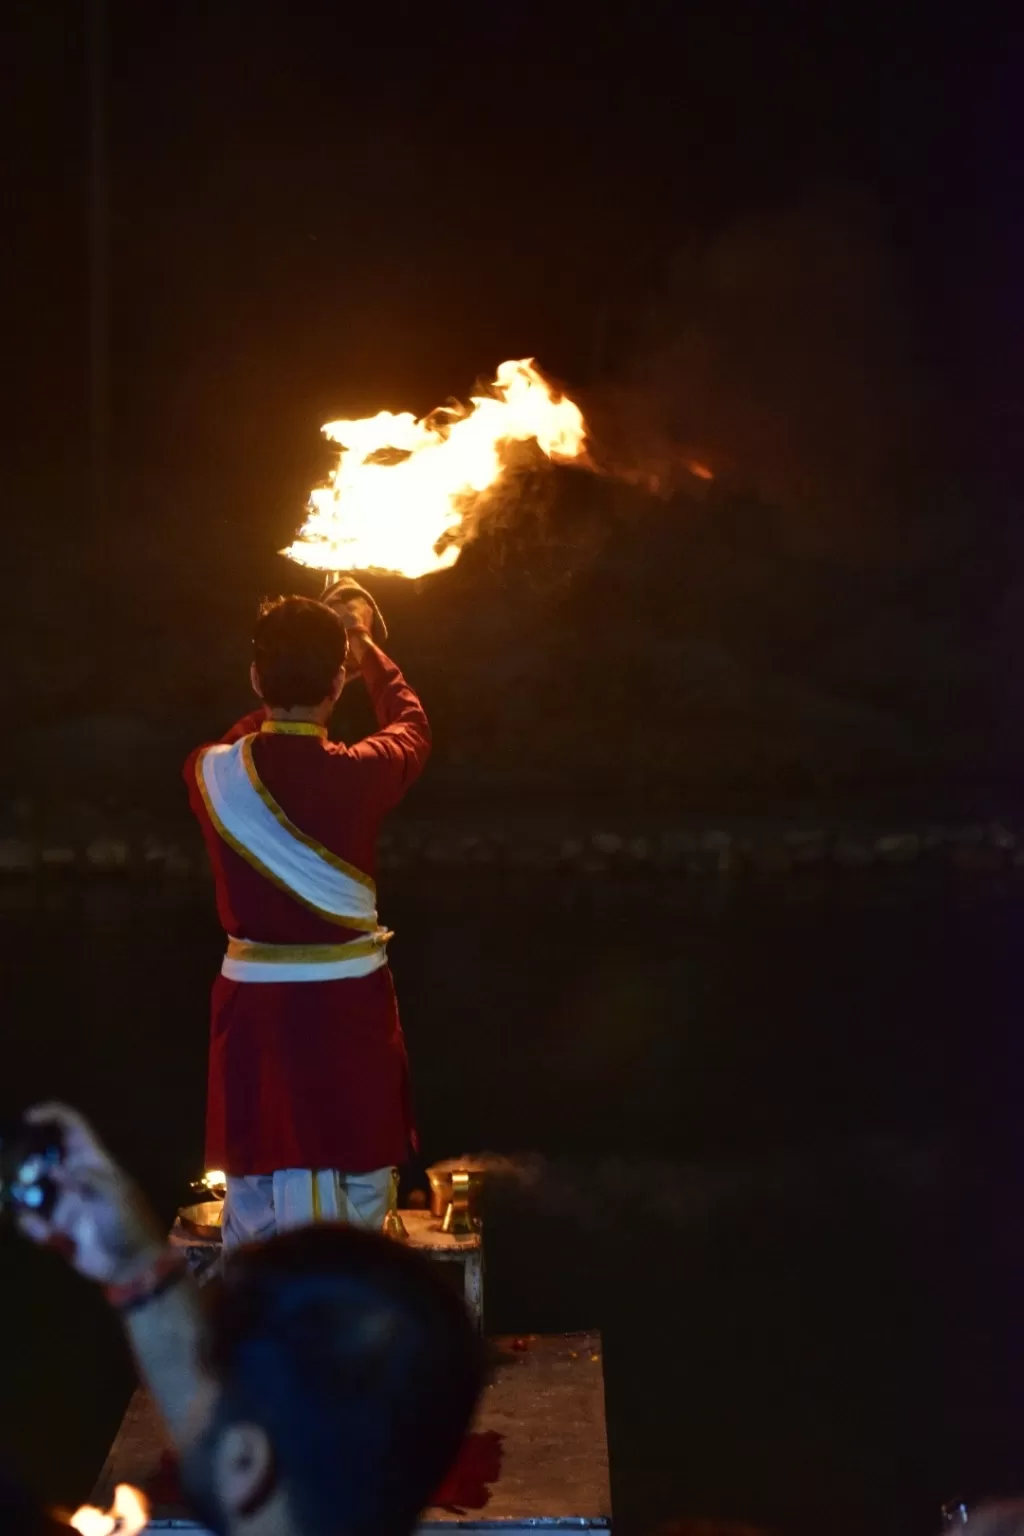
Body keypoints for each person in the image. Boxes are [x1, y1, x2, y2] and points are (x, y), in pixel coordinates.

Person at [18, 1103, 484, 1536]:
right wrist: (137, 1267)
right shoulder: (387, 1473)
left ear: (246, 1464)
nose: (188, 1398)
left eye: (212, 1386)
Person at [184, 584, 431, 1246]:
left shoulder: (208, 774)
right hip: (349, 1004)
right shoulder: (363, 773)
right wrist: (367, 650)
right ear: (338, 685)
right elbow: (412, 725)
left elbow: (249, 739)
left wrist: (310, 661)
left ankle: (257, 1328)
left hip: (252, 1012)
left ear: (256, 676)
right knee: (358, 1172)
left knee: (256, 1175)